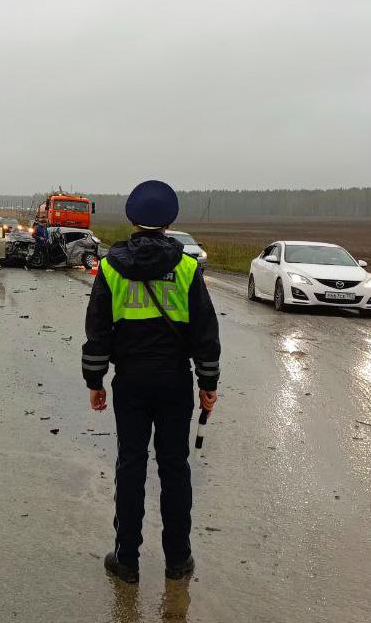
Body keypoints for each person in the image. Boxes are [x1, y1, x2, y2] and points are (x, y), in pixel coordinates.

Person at [82, 180, 221, 584]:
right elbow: (205, 332)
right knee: (175, 467)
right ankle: (178, 559)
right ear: (168, 223)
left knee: (131, 464)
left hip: (131, 382)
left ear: (132, 220)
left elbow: (98, 330)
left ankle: (126, 560)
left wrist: (95, 380)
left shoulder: (111, 267)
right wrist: (208, 382)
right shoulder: (188, 268)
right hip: (174, 381)